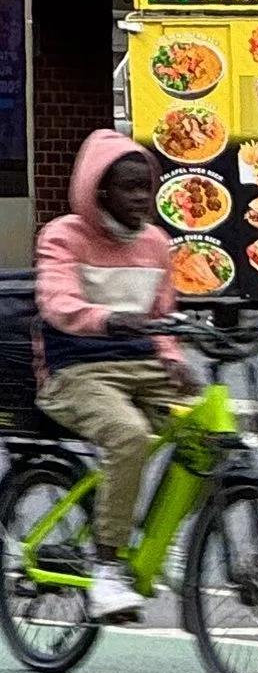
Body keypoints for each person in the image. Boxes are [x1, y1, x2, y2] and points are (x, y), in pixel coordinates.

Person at [32, 130, 202, 623]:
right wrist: (104, 317)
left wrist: (172, 356)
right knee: (129, 437)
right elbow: (57, 301)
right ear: (99, 191)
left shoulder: (155, 244)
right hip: (77, 371)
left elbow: (164, 316)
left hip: (141, 366)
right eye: (129, 188)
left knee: (208, 436)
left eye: (146, 187)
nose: (141, 200)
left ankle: (159, 540)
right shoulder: (64, 235)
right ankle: (106, 569)